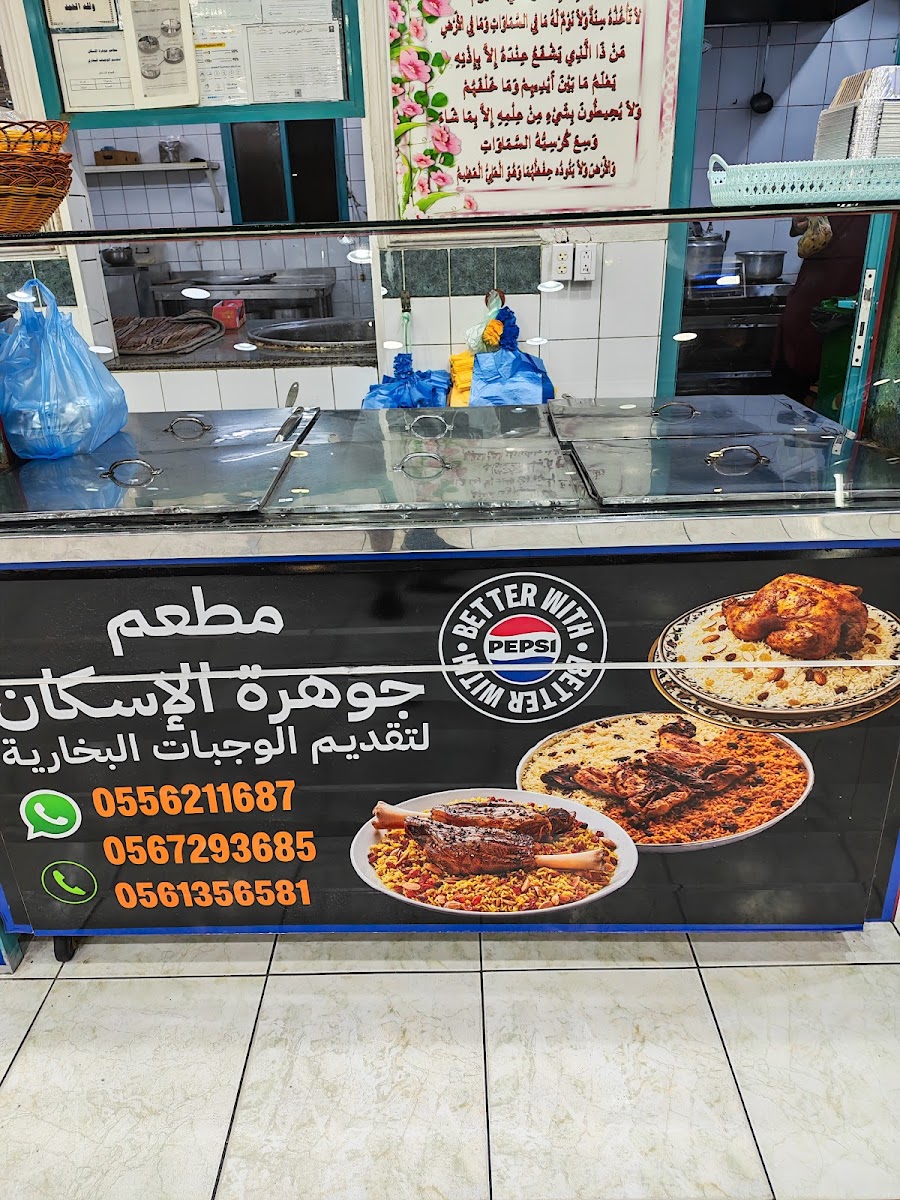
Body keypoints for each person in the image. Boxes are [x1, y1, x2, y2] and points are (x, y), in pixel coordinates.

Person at [772, 213, 869, 404]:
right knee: (797, 334)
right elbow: (801, 221)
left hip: (858, 275)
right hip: (817, 277)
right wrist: (800, 223)